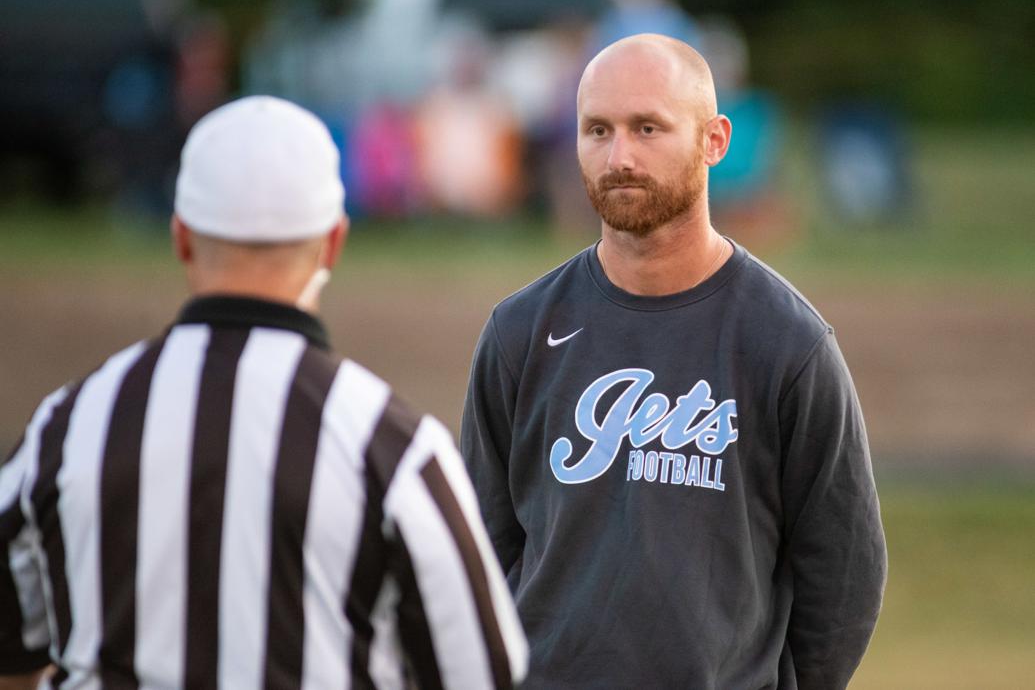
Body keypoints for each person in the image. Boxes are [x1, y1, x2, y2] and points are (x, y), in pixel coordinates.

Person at [0, 96, 527, 689]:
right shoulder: (393, 445)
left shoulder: (69, 427)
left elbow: (13, 644)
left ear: (182, 238)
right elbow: (482, 671)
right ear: (333, 243)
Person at [460, 34, 886, 689]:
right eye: (596, 129)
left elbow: (844, 569)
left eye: (647, 127)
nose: (618, 155)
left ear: (714, 140)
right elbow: (479, 555)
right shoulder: (520, 332)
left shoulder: (785, 343)